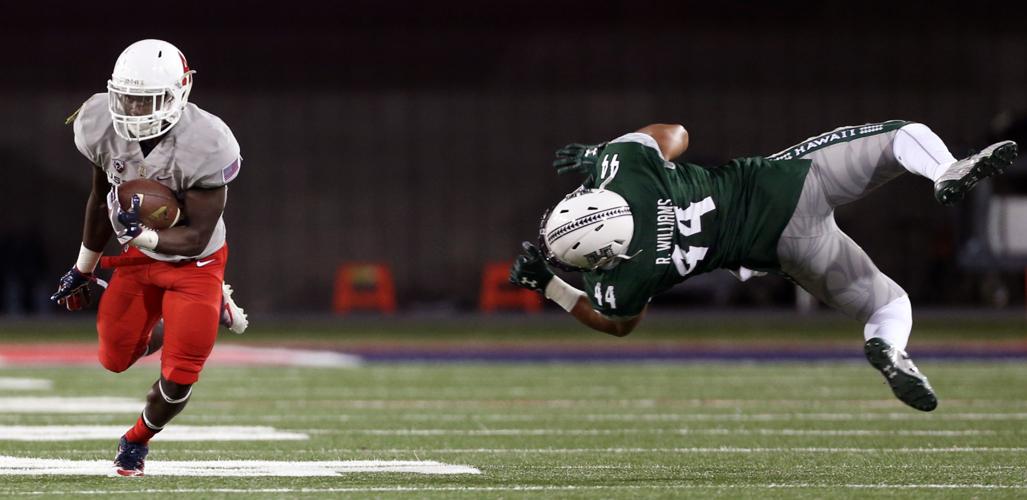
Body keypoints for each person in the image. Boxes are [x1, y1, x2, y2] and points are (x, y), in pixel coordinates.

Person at [510, 120, 1018, 412]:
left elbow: (618, 325)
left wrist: (550, 286)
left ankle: (887, 345)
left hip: (781, 251)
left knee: (889, 302)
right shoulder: (630, 173)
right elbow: (676, 133)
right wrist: (603, 152)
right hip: (785, 185)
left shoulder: (624, 278)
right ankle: (946, 170)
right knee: (902, 134)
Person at [49, 39, 249, 476]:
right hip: (139, 260)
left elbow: (196, 235)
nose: (136, 110)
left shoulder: (209, 141)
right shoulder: (99, 121)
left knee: (179, 377)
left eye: (148, 100)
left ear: (179, 92)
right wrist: (83, 268)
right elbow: (101, 196)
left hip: (196, 266)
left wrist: (147, 237)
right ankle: (180, 322)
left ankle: (137, 440)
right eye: (129, 98)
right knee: (114, 358)